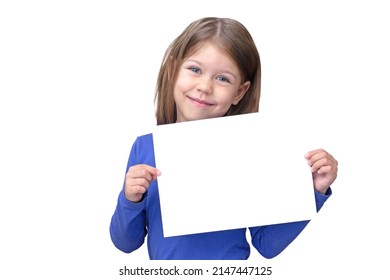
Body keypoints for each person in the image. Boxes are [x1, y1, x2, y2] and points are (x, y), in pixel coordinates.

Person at [109, 17, 338, 260]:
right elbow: (126, 243)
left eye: (223, 78)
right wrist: (130, 199)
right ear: (171, 70)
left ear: (239, 92)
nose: (205, 87)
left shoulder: (248, 151)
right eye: (195, 69)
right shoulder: (145, 147)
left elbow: (267, 245)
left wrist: (312, 191)